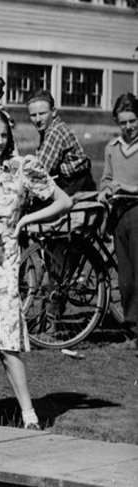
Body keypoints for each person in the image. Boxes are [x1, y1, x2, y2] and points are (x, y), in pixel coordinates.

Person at [0, 108, 71, 429]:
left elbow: (63, 202)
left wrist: (26, 219)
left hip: (6, 265)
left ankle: (28, 416)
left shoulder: (23, 168)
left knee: (9, 341)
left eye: (3, 135)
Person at [99, 92, 138, 350]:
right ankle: (132, 330)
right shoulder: (112, 148)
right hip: (119, 215)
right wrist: (105, 190)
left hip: (137, 211)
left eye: (133, 121)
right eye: (123, 122)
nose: (128, 127)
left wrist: (128, 187)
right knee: (124, 276)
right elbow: (106, 177)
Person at [27, 89, 96, 195]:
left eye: (42, 113)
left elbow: (40, 171)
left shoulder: (55, 131)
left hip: (77, 186)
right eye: (33, 115)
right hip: (71, 183)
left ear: (53, 111)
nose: (37, 119)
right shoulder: (50, 128)